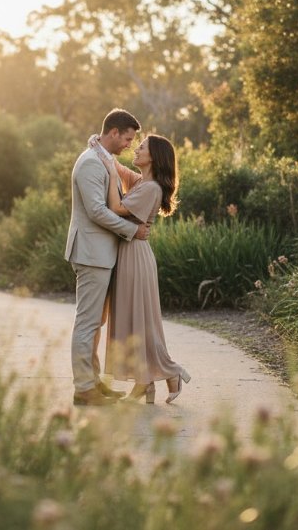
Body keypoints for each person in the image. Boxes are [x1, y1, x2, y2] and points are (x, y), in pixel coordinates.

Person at [92, 133, 190, 404]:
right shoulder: (142, 182)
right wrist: (101, 150)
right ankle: (147, 383)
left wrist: (111, 175)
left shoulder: (150, 188)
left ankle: (168, 371)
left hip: (135, 258)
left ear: (153, 157)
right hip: (130, 254)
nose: (135, 149)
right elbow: (118, 168)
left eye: (142, 146)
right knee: (135, 320)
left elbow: (115, 207)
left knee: (139, 321)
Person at [65, 108, 150, 406]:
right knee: (87, 322)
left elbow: (139, 181)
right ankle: (83, 388)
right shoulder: (90, 163)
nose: (129, 144)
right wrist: (132, 230)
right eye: (127, 138)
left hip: (102, 253)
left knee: (95, 323)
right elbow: (97, 211)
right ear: (113, 132)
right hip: (91, 253)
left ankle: (94, 382)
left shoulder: (105, 158)